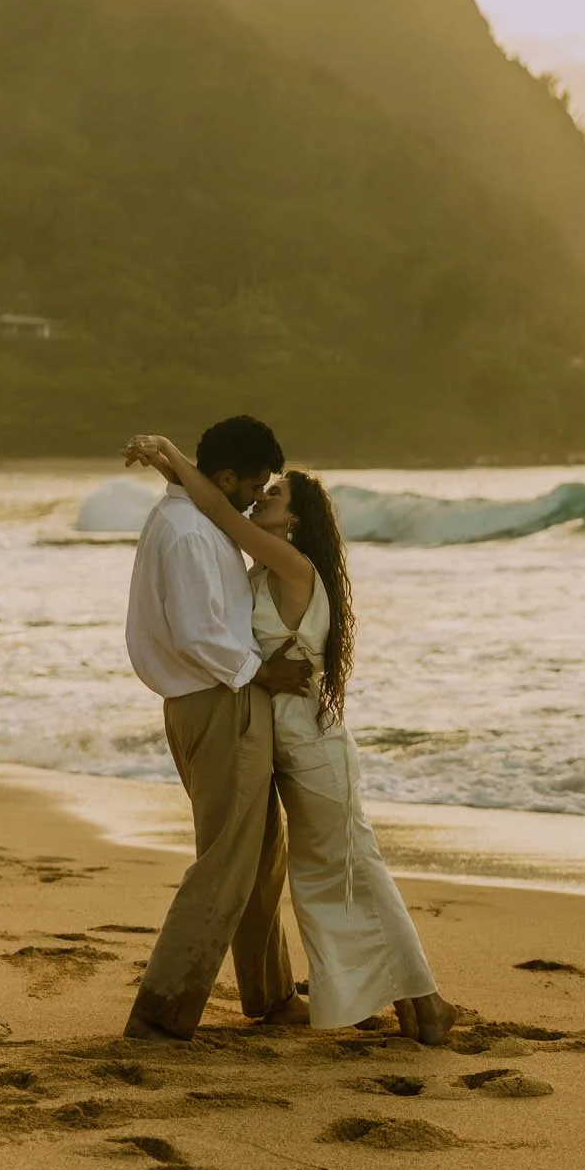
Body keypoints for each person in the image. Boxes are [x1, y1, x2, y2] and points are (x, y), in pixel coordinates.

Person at [126, 431, 455, 1045]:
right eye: (261, 485)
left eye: (272, 494)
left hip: (311, 744)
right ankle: (396, 1001)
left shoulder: (290, 564)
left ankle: (425, 998)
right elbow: (218, 527)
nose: (260, 500)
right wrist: (173, 463)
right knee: (316, 874)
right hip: (276, 738)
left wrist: (171, 457)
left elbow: (221, 508)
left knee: (349, 867)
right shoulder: (256, 565)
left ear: (296, 519)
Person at [122, 413, 312, 1042]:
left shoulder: (195, 521)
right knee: (227, 863)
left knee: (259, 856)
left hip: (220, 699)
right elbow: (200, 635)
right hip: (220, 700)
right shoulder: (189, 534)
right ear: (224, 476)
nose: (258, 497)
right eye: (254, 485)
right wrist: (265, 673)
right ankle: (161, 1009)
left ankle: (272, 995)